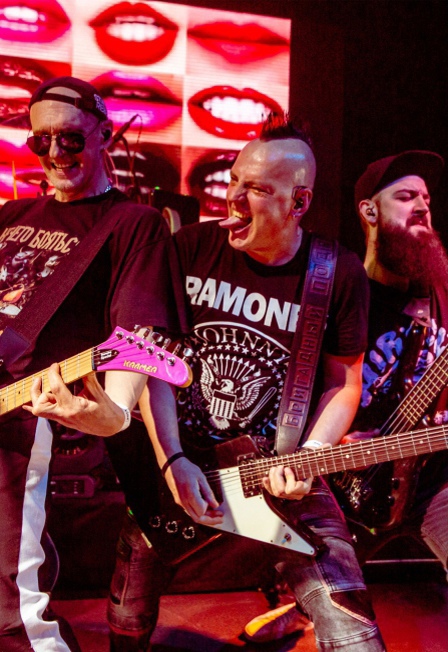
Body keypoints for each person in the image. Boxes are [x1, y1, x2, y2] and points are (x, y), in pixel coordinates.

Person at [107, 112, 386, 652]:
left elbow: (344, 381)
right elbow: (151, 363)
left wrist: (312, 455)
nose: (232, 198)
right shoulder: (188, 247)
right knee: (127, 608)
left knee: (352, 627)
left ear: (298, 202)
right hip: (183, 463)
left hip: (278, 465)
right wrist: (171, 459)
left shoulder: (337, 271)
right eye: (234, 180)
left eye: (255, 189)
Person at [0, 76, 180, 651]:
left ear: (104, 133)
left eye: (71, 138)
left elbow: (135, 338)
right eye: (41, 141)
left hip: (24, 418)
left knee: (12, 613)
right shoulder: (11, 214)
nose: (55, 153)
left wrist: (115, 411)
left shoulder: (132, 224)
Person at [243, 149, 448, 645]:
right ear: (369, 211)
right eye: (406, 196)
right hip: (342, 481)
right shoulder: (337, 292)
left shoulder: (442, 288)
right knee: (340, 603)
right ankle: (302, 603)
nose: (422, 206)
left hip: (429, 476)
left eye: (426, 198)